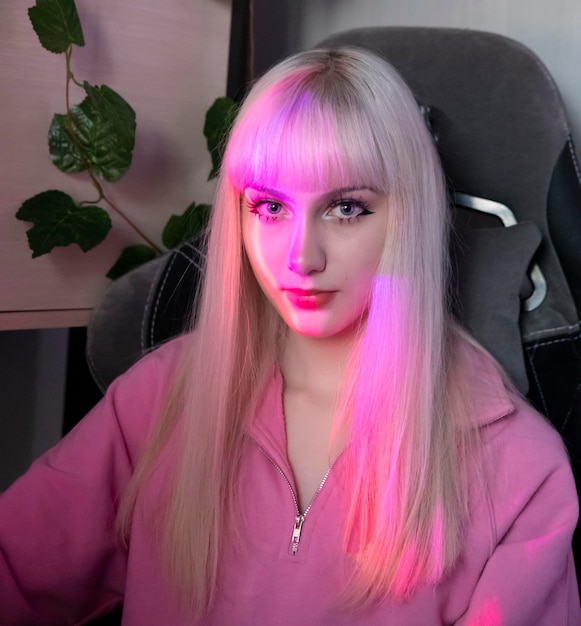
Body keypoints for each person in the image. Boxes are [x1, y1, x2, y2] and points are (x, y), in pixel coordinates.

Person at [0, 47, 579, 626]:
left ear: (409, 216)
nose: (301, 257)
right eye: (271, 206)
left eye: (346, 208)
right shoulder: (158, 399)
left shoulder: (519, 470)